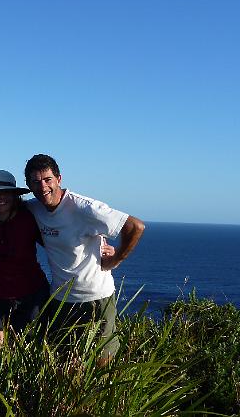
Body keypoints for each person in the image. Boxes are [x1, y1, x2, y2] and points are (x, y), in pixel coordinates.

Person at [24, 154, 145, 366]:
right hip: (61, 299)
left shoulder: (84, 208)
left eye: (47, 179)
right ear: (29, 186)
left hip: (95, 298)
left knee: (100, 361)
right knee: (65, 360)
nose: (42, 186)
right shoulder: (34, 208)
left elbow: (135, 226)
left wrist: (115, 258)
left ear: (59, 179)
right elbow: (6, 204)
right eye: (35, 181)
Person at [0, 170, 50, 357]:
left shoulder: (30, 219)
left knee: (29, 356)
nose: (0, 197)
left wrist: (100, 245)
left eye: (6, 192)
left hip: (32, 297)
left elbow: (58, 243)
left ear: (15, 196)